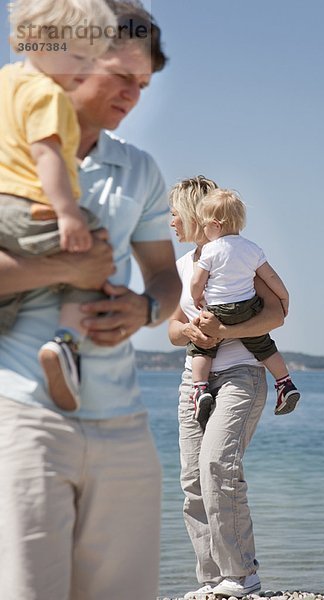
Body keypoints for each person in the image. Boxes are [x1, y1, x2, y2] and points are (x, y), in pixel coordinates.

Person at [0, 2, 181, 599]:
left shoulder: (140, 169)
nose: (134, 95)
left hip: (123, 425)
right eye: (122, 76)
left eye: (144, 84)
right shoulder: (7, 151)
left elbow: (164, 277)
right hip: (20, 418)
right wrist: (62, 265)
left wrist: (147, 310)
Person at [168, 176, 284, 599]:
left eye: (175, 213)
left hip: (242, 374)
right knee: (192, 479)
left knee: (219, 465)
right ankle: (213, 581)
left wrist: (224, 330)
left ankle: (243, 575)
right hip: (194, 379)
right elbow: (172, 332)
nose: (171, 222)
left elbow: (276, 313)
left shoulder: (235, 257)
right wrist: (194, 332)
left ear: (200, 215)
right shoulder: (181, 267)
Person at [0, 0, 117, 411]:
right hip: (33, 205)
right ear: (38, 42)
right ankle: (65, 344)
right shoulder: (48, 94)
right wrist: (68, 213)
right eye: (79, 57)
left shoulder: (6, 80)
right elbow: (46, 154)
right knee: (95, 247)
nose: (86, 70)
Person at [188, 186, 300, 426]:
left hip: (217, 310)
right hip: (248, 308)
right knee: (264, 346)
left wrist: (196, 295)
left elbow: (198, 280)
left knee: (202, 349)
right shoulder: (252, 248)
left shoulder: (210, 249)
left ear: (215, 225)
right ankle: (284, 383)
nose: (204, 229)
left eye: (205, 224)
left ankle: (200, 389)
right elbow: (271, 278)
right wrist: (284, 297)